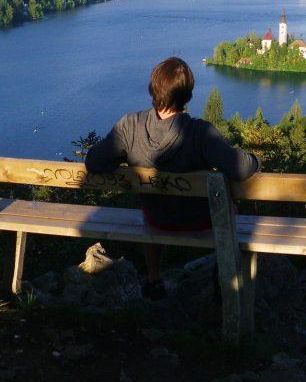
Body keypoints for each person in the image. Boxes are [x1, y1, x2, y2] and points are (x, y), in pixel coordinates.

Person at [85, 57, 259, 299]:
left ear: (152, 89)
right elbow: (241, 169)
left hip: (156, 219)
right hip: (201, 221)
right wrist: (255, 159)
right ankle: (224, 275)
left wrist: (119, 159)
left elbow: (94, 162)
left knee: (151, 206)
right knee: (230, 207)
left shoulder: (129, 126)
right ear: (187, 95)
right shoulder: (200, 133)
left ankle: (154, 279)